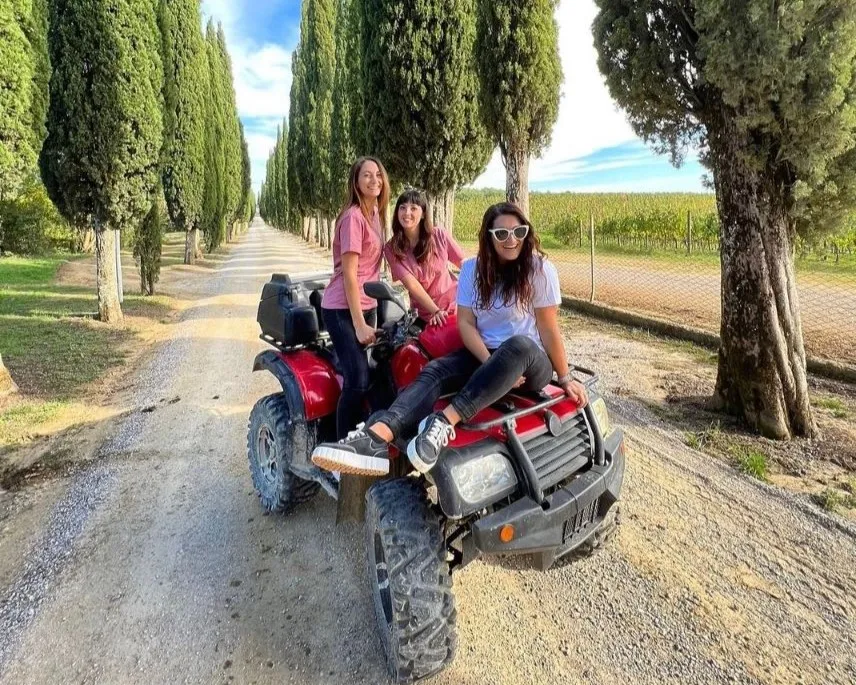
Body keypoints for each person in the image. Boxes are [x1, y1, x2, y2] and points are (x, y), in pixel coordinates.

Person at [311, 202, 589, 477]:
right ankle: (376, 437)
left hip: (530, 362)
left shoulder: (539, 269)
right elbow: (466, 323)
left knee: (519, 345)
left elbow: (548, 329)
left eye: (519, 232)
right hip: (487, 353)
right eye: (501, 233)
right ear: (489, 236)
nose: (511, 239)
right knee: (435, 370)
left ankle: (444, 421)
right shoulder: (472, 270)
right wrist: (490, 363)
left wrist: (565, 378)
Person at [320, 156, 390, 439]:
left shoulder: (376, 215)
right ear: (356, 182)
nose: (374, 180)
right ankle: (341, 448)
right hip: (342, 308)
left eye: (378, 175)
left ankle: (370, 435)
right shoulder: (353, 217)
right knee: (358, 379)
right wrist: (359, 324)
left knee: (380, 372)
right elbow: (350, 275)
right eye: (367, 175)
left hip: (368, 303)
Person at [384, 189, 464, 328]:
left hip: (456, 308)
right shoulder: (391, 248)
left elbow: (464, 264)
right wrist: (436, 311)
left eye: (413, 208)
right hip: (426, 316)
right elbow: (412, 285)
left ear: (423, 214)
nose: (407, 212)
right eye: (402, 207)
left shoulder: (439, 235)